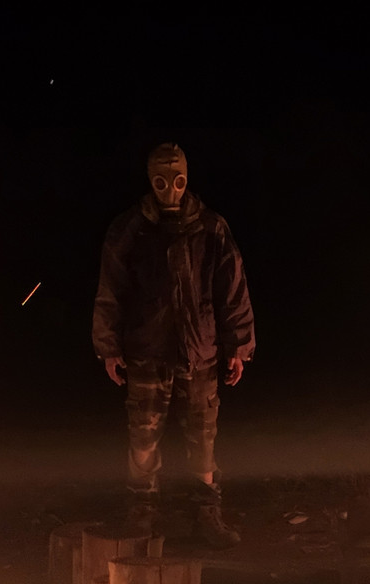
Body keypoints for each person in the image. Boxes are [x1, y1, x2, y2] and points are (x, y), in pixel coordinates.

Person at [92, 142, 255, 549]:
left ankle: (205, 515)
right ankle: (142, 515)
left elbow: (233, 287)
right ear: (151, 181)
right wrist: (109, 347)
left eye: (178, 180)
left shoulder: (210, 228)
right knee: (143, 438)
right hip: (147, 352)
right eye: (162, 181)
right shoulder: (130, 229)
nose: (171, 190)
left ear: (187, 179)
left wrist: (239, 345)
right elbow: (111, 290)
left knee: (203, 438)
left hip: (199, 351)